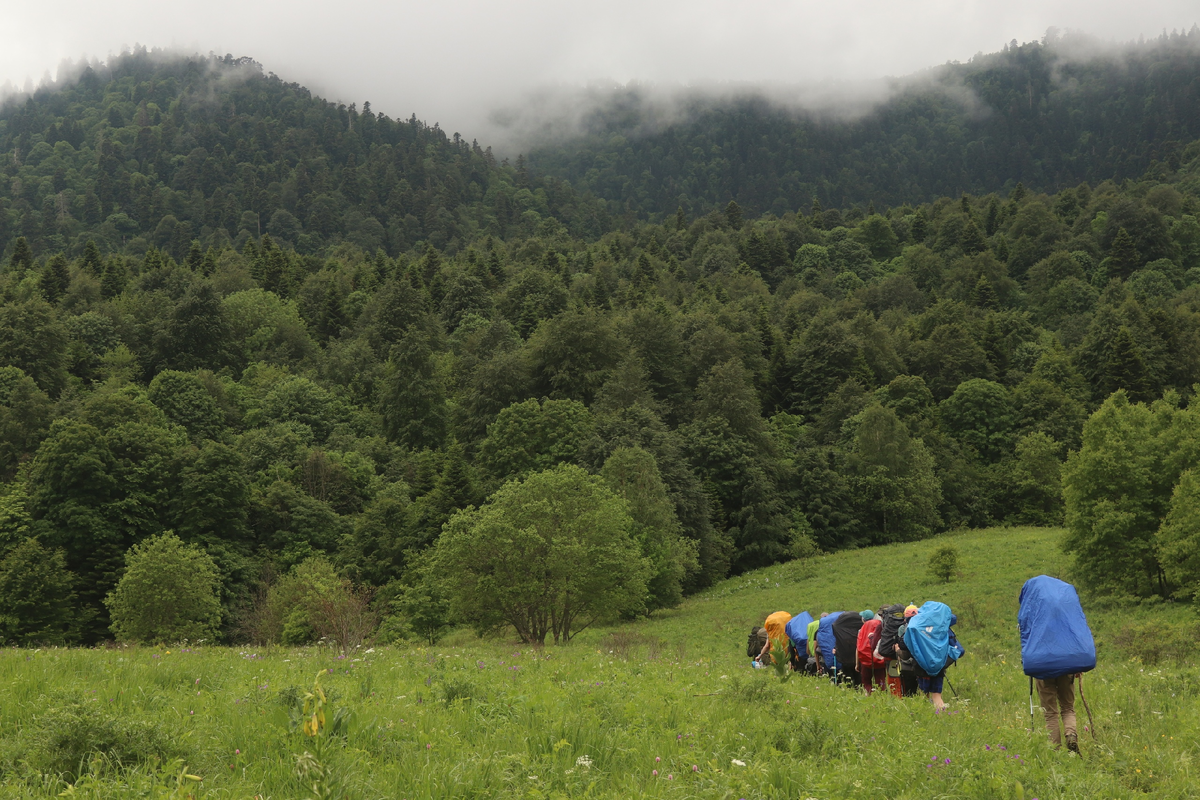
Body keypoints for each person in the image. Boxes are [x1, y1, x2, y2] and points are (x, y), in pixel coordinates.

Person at [1037, 674, 1080, 753]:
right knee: (1068, 708)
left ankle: (1056, 751)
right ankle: (1071, 735)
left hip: (1043, 671)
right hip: (1066, 669)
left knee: (1050, 714)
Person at [855, 609, 886, 695]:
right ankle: (881, 696)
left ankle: (868, 695)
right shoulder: (880, 625)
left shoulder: (861, 630)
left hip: (865, 660)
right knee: (880, 680)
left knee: (866, 681)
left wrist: (857, 664)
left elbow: (858, 647)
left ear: (863, 619)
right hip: (879, 659)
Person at [893, 604, 919, 697]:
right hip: (922, 662)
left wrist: (897, 650)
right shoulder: (923, 626)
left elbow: (901, 646)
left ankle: (910, 700)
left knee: (909, 688)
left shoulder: (902, 628)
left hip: (907, 662)